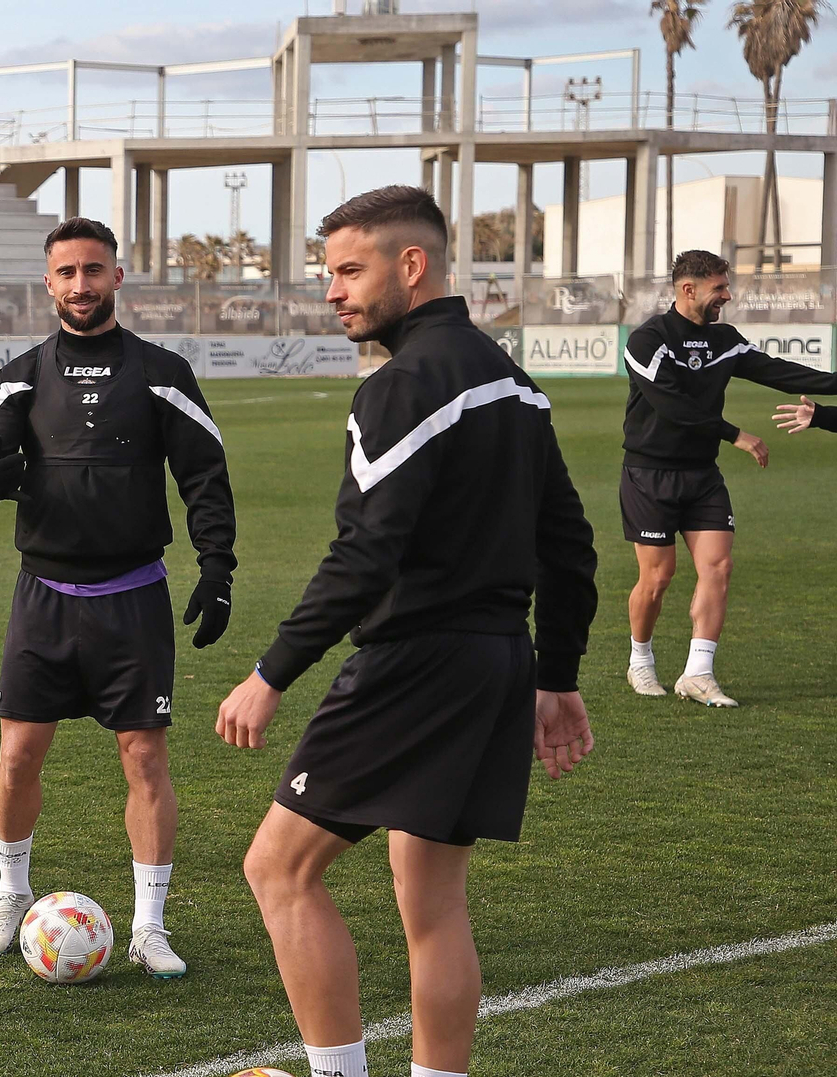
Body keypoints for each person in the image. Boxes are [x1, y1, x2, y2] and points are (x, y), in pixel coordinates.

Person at [215, 185, 598, 1077]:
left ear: (411, 265)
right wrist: (554, 675)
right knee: (432, 902)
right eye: (329, 274)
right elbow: (570, 549)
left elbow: (366, 554)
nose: (334, 292)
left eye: (350, 270)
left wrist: (271, 671)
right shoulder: (517, 385)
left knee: (279, 868)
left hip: (417, 662)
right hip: (496, 663)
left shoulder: (402, 386)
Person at [0, 217, 237, 979]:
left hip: (134, 596)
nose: (80, 284)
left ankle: (149, 924)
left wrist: (219, 567)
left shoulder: (162, 371)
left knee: (145, 758)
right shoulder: (21, 373)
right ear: (47, 283)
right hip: (43, 597)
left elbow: (205, 475)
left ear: (118, 276)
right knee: (18, 753)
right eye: (67, 273)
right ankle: (12, 893)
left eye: (94, 269)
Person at [621, 250, 837, 706]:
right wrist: (735, 434)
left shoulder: (726, 339)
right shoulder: (648, 341)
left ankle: (698, 673)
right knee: (657, 578)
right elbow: (673, 406)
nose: (727, 295)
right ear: (688, 289)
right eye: (719, 287)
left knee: (718, 567)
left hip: (702, 476)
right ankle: (641, 658)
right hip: (649, 474)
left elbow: (781, 373)